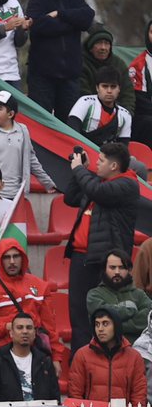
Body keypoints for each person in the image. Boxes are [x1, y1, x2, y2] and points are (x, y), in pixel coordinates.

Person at [64, 142, 139, 352]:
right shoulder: (98, 183)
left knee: (104, 316)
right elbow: (70, 198)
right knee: (78, 316)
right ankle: (80, 362)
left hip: (107, 262)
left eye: (101, 160)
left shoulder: (127, 184)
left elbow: (97, 190)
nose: (97, 163)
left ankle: (106, 362)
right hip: (81, 257)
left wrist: (79, 169)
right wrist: (81, 171)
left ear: (114, 166)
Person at [0, 238, 65, 373]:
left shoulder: (40, 286)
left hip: (36, 359)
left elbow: (50, 327)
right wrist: (6, 327)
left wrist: (56, 357)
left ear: (23, 258)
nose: (12, 262)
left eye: (16, 256)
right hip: (3, 362)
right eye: (7, 257)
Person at [25, 0, 95, 121]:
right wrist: (72, 22)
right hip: (42, 76)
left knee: (68, 126)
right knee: (41, 123)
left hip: (70, 77)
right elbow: (39, 26)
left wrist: (59, 13)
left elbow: (87, 17)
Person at [0, 90, 54, 201]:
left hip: (16, 194)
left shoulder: (23, 131)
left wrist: (46, 182)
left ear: (10, 114)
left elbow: (31, 159)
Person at [66, 306, 147, 404]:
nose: (100, 329)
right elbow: (75, 393)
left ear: (116, 326)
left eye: (105, 324)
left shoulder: (134, 357)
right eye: (97, 324)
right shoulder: (82, 355)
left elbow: (139, 395)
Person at [0, 313, 60, 403]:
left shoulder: (44, 361)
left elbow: (55, 398)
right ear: (11, 333)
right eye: (19, 328)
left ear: (34, 333)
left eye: (29, 328)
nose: (25, 331)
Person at [85, 250, 152, 343]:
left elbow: (149, 319)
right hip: (104, 351)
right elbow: (102, 317)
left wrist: (113, 325)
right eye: (112, 267)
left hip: (136, 350)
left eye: (121, 267)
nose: (117, 272)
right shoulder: (94, 295)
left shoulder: (139, 294)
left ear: (129, 270)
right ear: (104, 269)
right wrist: (130, 309)